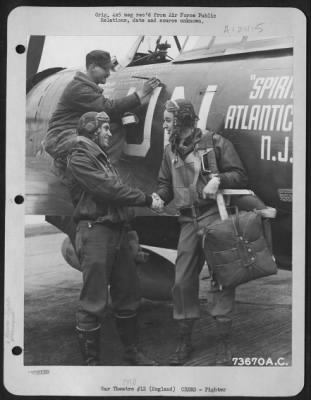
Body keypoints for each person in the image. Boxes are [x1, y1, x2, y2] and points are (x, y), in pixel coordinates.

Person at [152, 99, 248, 365]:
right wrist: (160, 196)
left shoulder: (216, 143)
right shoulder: (169, 150)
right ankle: (184, 341)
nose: (165, 124)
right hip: (187, 222)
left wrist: (219, 179)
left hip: (214, 217)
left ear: (183, 119)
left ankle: (223, 344)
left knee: (221, 281)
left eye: (169, 119)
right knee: (182, 282)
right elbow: (164, 183)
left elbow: (239, 175)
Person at [66, 110, 158, 366]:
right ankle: (91, 364)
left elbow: (115, 196)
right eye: (105, 129)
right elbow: (109, 190)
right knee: (93, 301)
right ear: (93, 131)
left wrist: (129, 231)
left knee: (128, 295)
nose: (110, 133)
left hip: (116, 233)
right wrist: (147, 198)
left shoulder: (101, 159)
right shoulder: (80, 158)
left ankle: (131, 352)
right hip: (95, 233)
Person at [44, 49, 160, 179]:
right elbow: (107, 108)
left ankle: (95, 170)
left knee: (115, 127)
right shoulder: (79, 88)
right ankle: (90, 173)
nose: (108, 73)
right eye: (105, 69)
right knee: (92, 141)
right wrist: (142, 93)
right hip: (60, 138)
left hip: (70, 133)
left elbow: (105, 112)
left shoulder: (86, 86)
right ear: (93, 67)